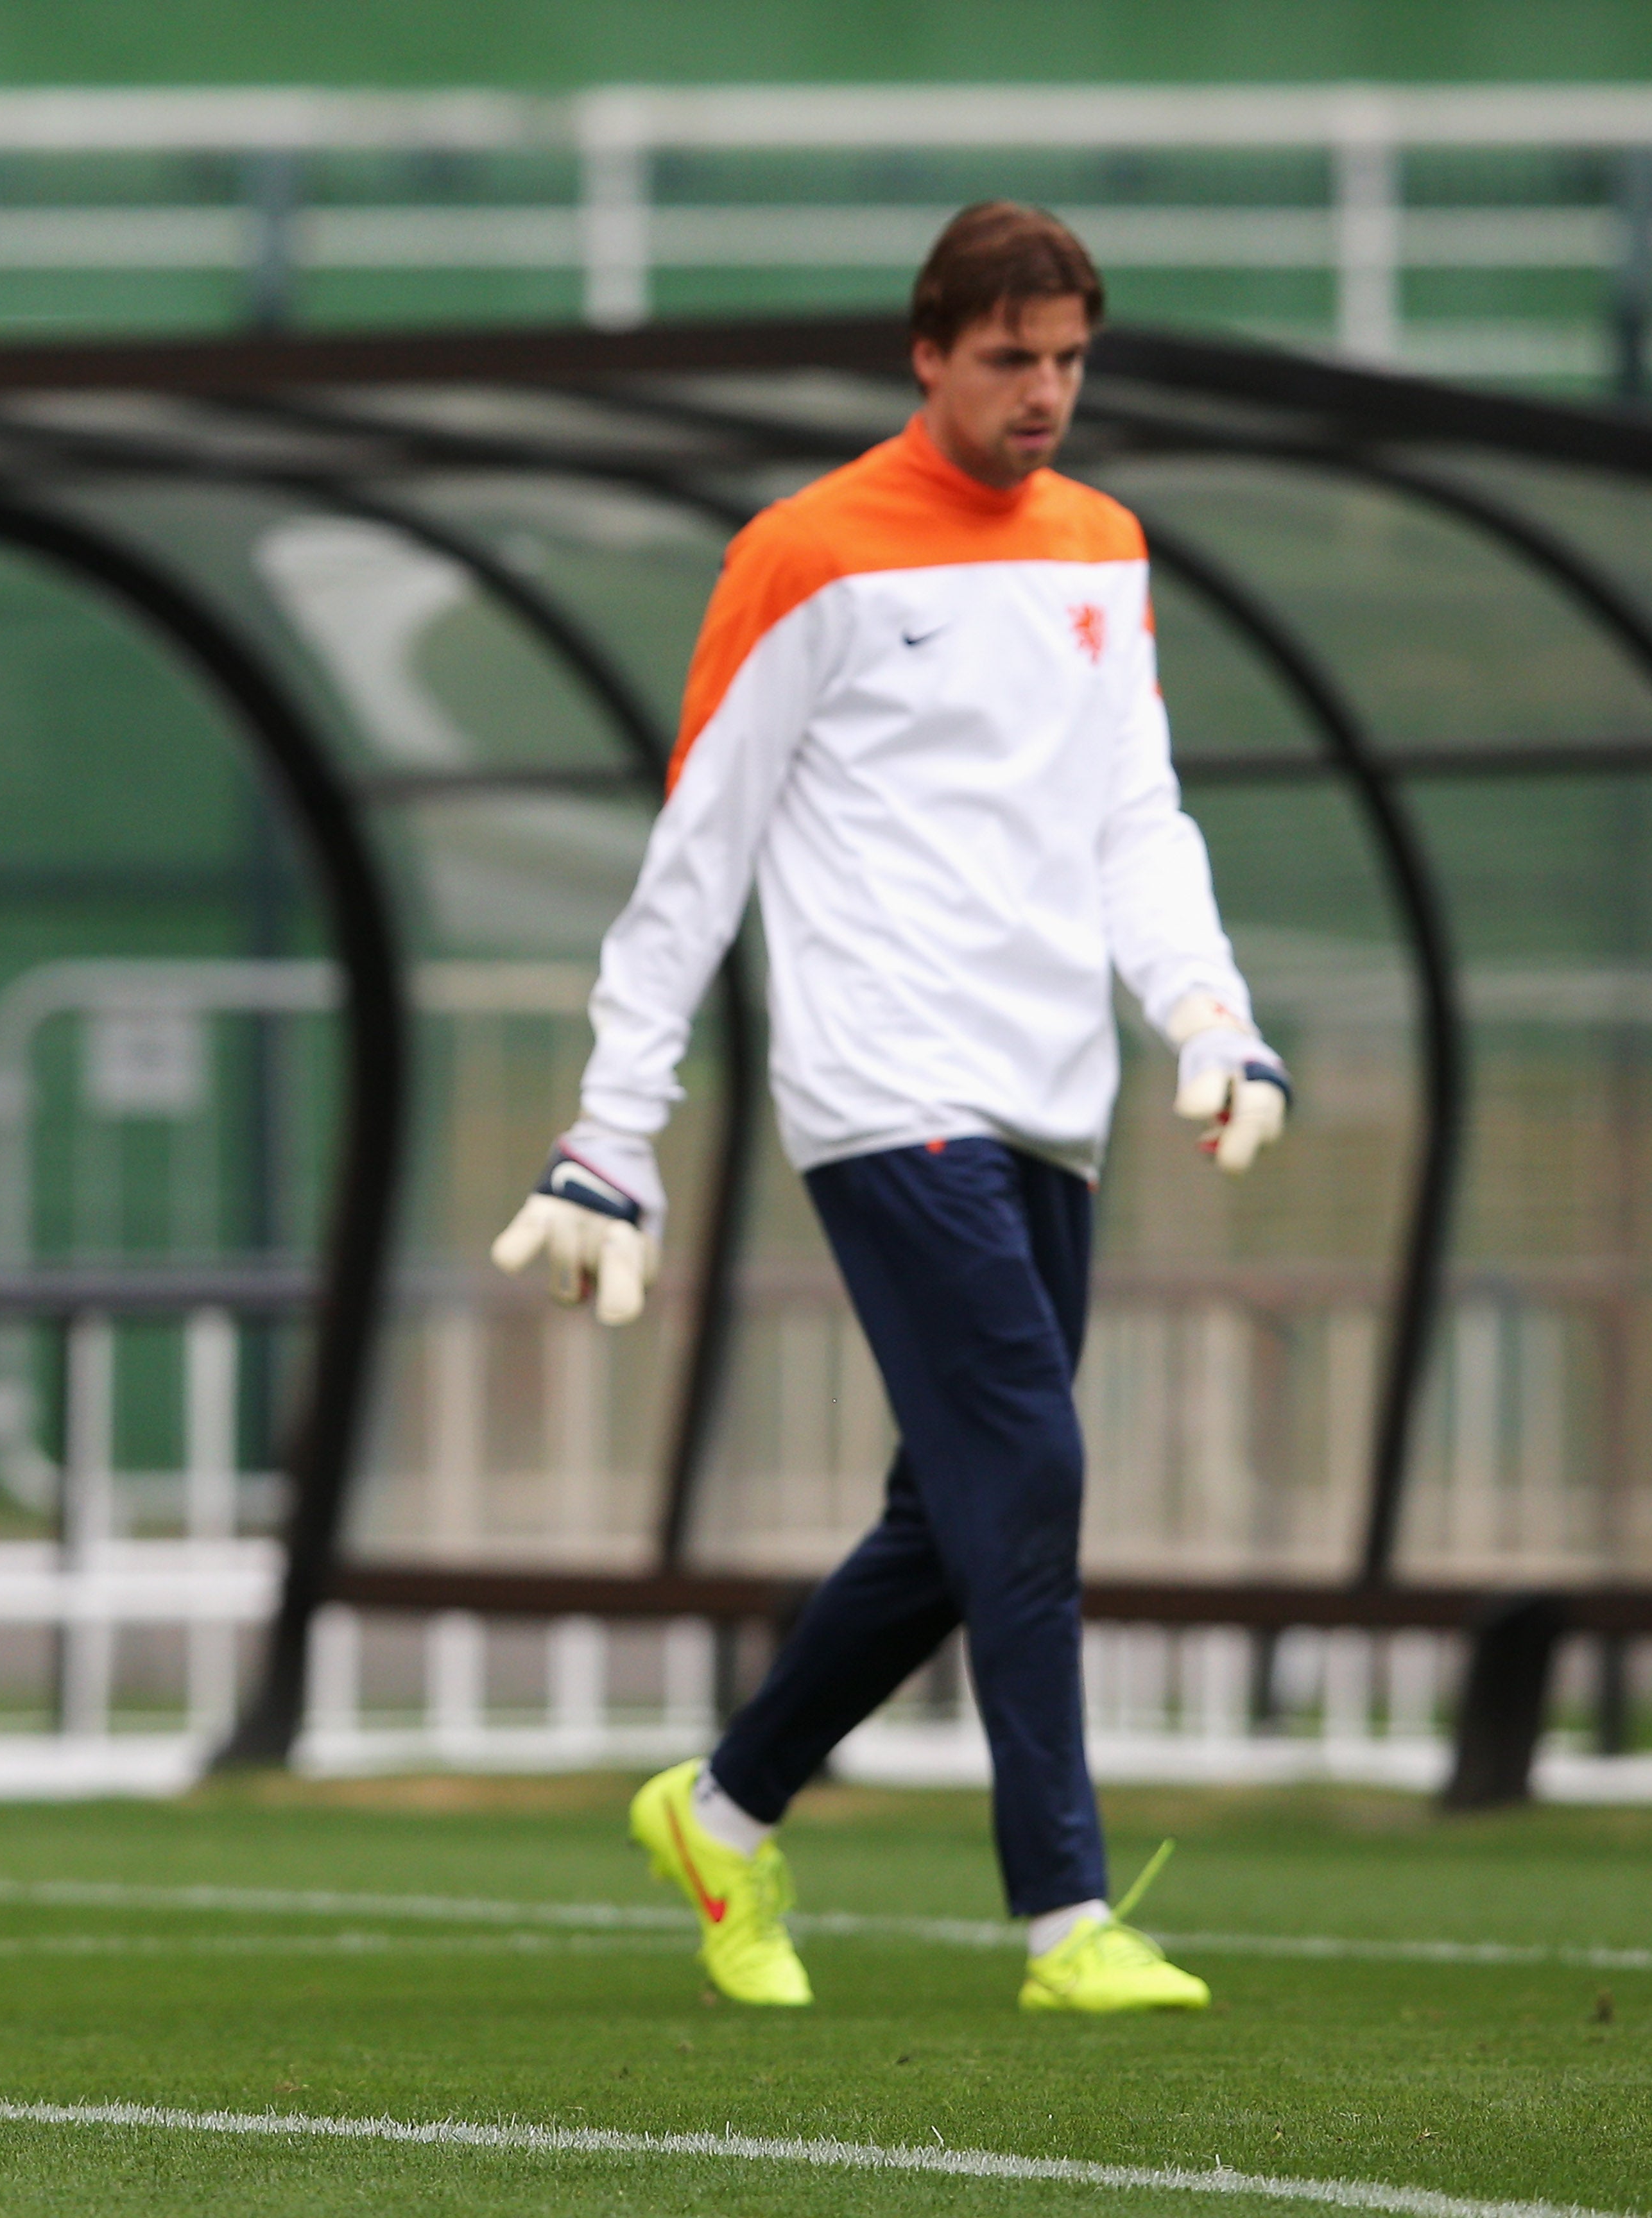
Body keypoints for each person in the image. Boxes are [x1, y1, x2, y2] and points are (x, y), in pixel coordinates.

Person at [492, 202, 1289, 2016]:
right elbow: (693, 859)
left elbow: (1136, 821)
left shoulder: (1104, 548)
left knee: (956, 1513)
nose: (1046, 393)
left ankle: (721, 1809)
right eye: (1012, 357)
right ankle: (1066, 1916)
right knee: (1033, 1467)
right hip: (881, 1091)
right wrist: (613, 1137)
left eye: (1071, 359)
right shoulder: (806, 555)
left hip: (1053, 1103)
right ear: (928, 353)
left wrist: (1210, 1017)